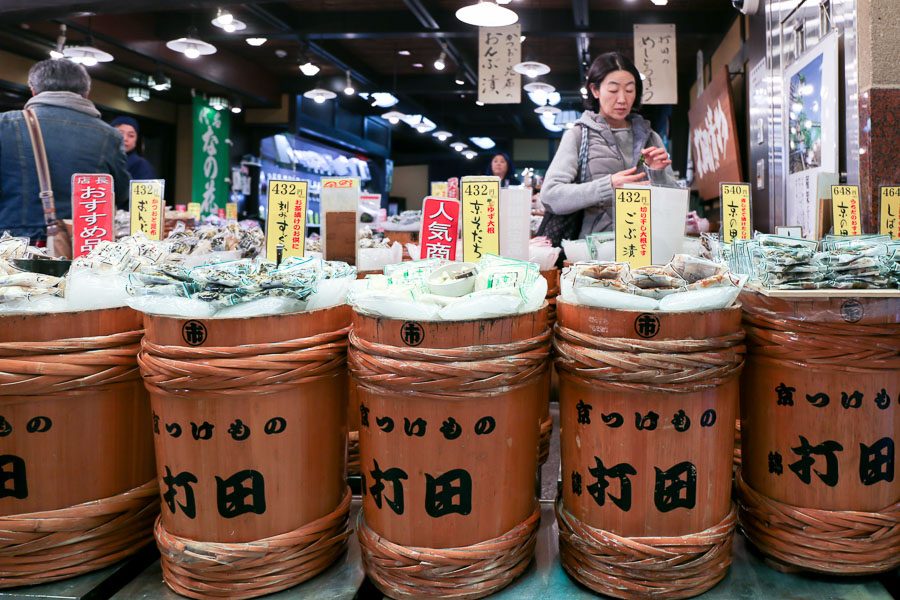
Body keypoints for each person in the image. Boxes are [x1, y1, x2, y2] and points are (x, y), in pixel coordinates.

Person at [541, 52, 678, 239]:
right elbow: (550, 196)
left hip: (644, 247)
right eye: (613, 90)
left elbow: (674, 204)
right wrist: (608, 186)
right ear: (595, 90)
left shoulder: (651, 137)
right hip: (594, 254)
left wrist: (658, 175)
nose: (622, 99)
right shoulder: (578, 135)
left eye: (630, 90)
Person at [0, 59, 130, 241]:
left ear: (33, 89)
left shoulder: (4, 125)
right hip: (79, 244)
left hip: (10, 244)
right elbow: (121, 192)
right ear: (86, 93)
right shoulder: (109, 135)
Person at [111, 115, 157, 180]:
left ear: (136, 141)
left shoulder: (141, 165)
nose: (125, 139)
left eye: (131, 135)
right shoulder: (100, 158)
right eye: (120, 133)